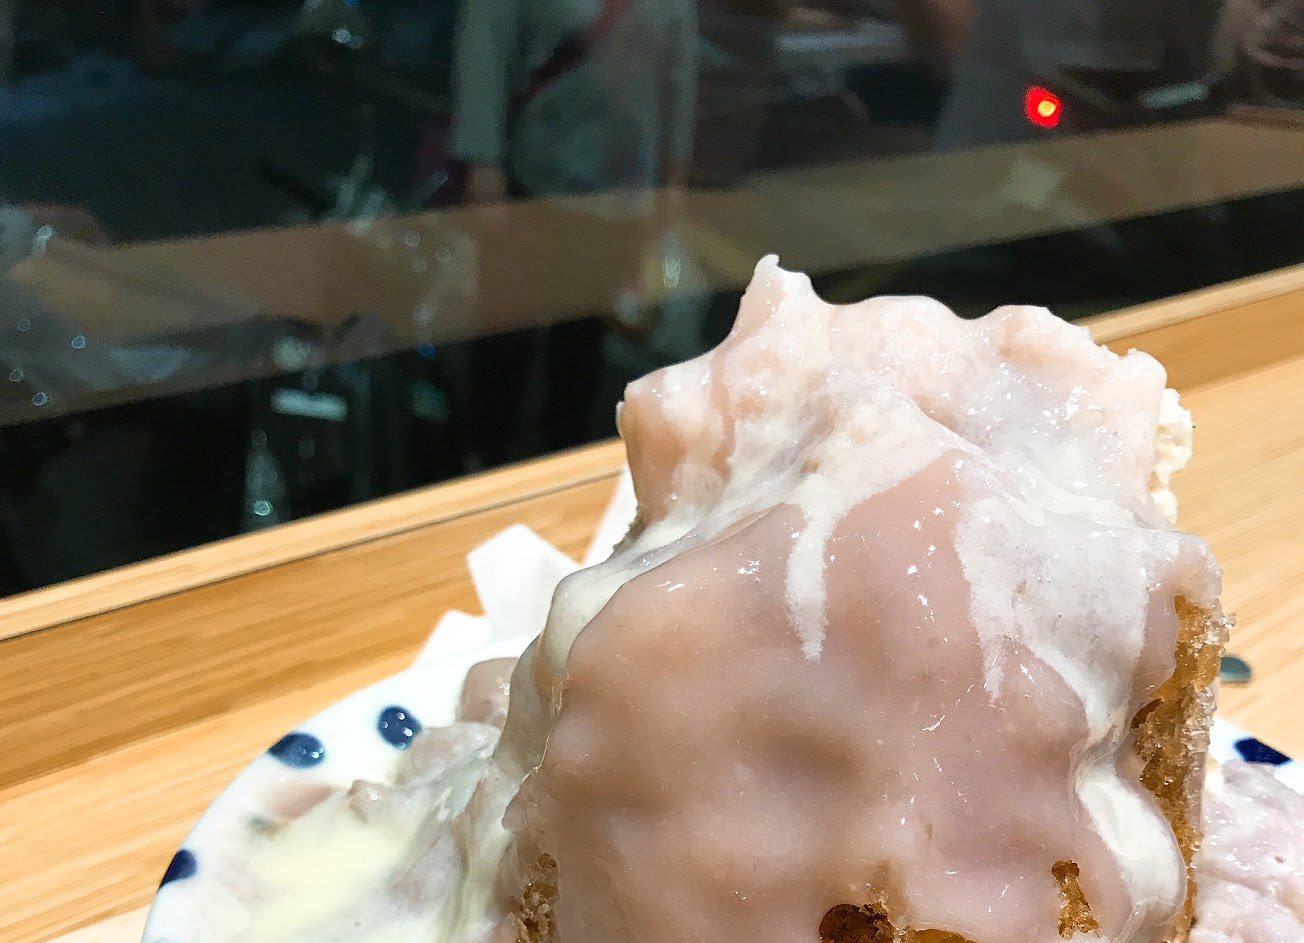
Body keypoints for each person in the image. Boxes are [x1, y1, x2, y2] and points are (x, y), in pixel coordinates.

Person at [448, 0, 700, 467]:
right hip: (533, 179)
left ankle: (563, 463)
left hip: (616, 194)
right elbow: (486, 40)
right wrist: (483, 163)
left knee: (582, 344)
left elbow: (679, 67)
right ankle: (484, 460)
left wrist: (673, 179)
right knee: (507, 339)